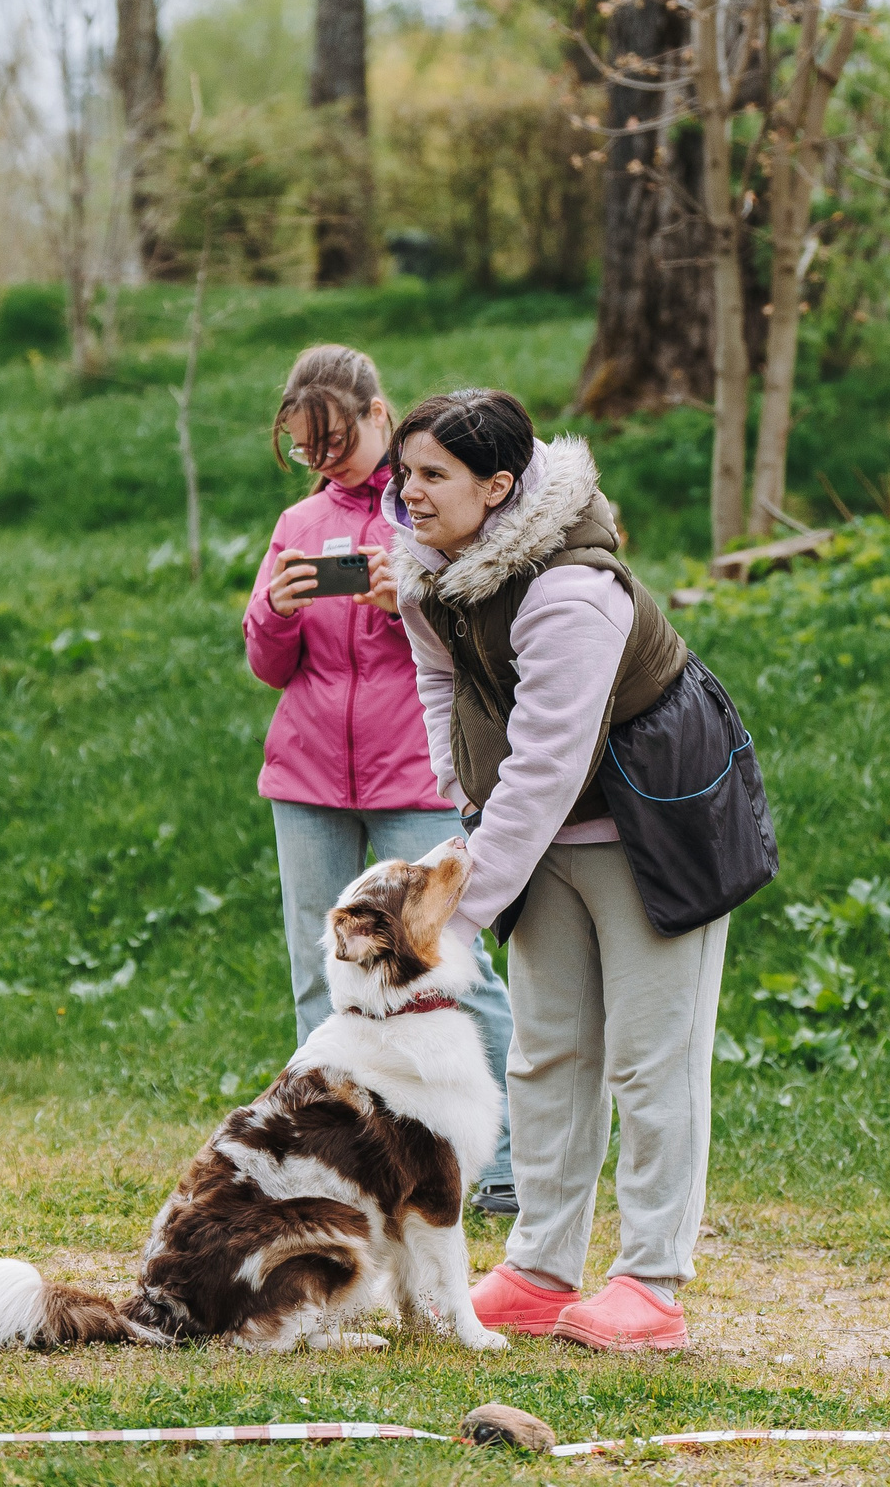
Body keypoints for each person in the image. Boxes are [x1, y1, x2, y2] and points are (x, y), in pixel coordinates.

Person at [386, 389, 761, 1354]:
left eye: (433, 475)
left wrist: (458, 908)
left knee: (652, 1060)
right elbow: (444, 683)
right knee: (546, 1052)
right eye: (405, 472)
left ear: (498, 486)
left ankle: (651, 1285)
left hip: (652, 826)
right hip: (537, 832)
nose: (409, 493)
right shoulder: (426, 572)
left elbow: (551, 760)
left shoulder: (571, 591)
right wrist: (458, 793)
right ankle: (543, 1267)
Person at [241, 346, 520, 1219]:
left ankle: (503, 1165)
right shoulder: (296, 524)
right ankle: (331, 1156)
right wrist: (275, 609)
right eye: (303, 449)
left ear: (375, 415)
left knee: (456, 970)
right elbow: (267, 663)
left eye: (334, 441)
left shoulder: (429, 509)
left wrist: (413, 601)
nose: (322, 462)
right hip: (309, 779)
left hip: (414, 776)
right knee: (317, 972)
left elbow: (480, 650)